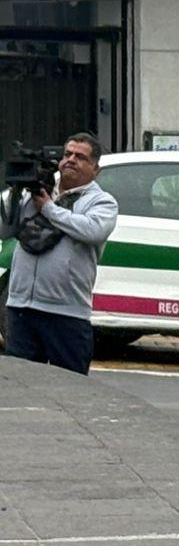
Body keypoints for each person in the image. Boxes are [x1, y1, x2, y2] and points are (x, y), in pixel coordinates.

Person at [0, 133, 119, 375]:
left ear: (96, 169)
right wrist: (14, 194)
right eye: (67, 154)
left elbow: (92, 230)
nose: (71, 160)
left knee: (71, 391)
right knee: (23, 387)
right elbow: (4, 231)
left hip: (66, 314)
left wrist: (49, 209)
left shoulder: (102, 202)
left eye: (80, 157)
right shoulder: (33, 192)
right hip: (22, 308)